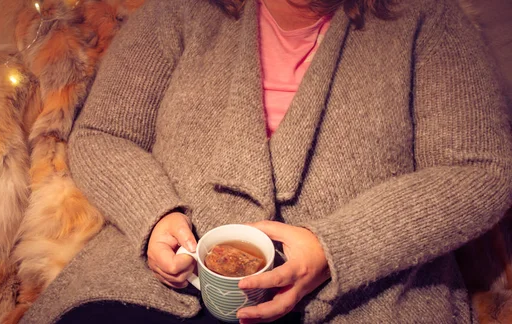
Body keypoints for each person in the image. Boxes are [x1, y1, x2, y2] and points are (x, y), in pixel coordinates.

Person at [53, 0, 512, 323]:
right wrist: (152, 217)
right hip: (154, 287)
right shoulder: (177, 12)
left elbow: (481, 170)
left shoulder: (430, 18)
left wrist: (338, 248)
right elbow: (101, 134)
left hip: (364, 298)